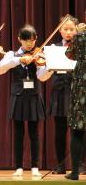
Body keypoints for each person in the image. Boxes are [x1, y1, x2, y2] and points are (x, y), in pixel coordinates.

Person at [0, 24, 52, 176]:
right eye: (25, 40)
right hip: (17, 96)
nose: (29, 44)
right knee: (18, 133)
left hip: (33, 96)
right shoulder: (12, 55)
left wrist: (49, 68)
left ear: (36, 39)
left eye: (32, 40)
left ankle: (34, 167)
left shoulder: (39, 55)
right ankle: (18, 166)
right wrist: (19, 60)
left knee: (34, 133)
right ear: (19, 39)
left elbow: (42, 77)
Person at [47, 15, 78, 174]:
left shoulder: (81, 46)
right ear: (59, 31)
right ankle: (60, 165)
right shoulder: (54, 47)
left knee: (78, 131)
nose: (68, 32)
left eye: (71, 29)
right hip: (59, 92)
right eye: (65, 29)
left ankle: (79, 165)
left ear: (76, 30)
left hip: (77, 93)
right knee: (60, 131)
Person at [64, 22, 86, 180]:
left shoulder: (80, 37)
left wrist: (79, 32)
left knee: (77, 130)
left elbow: (68, 54)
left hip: (81, 87)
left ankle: (75, 172)